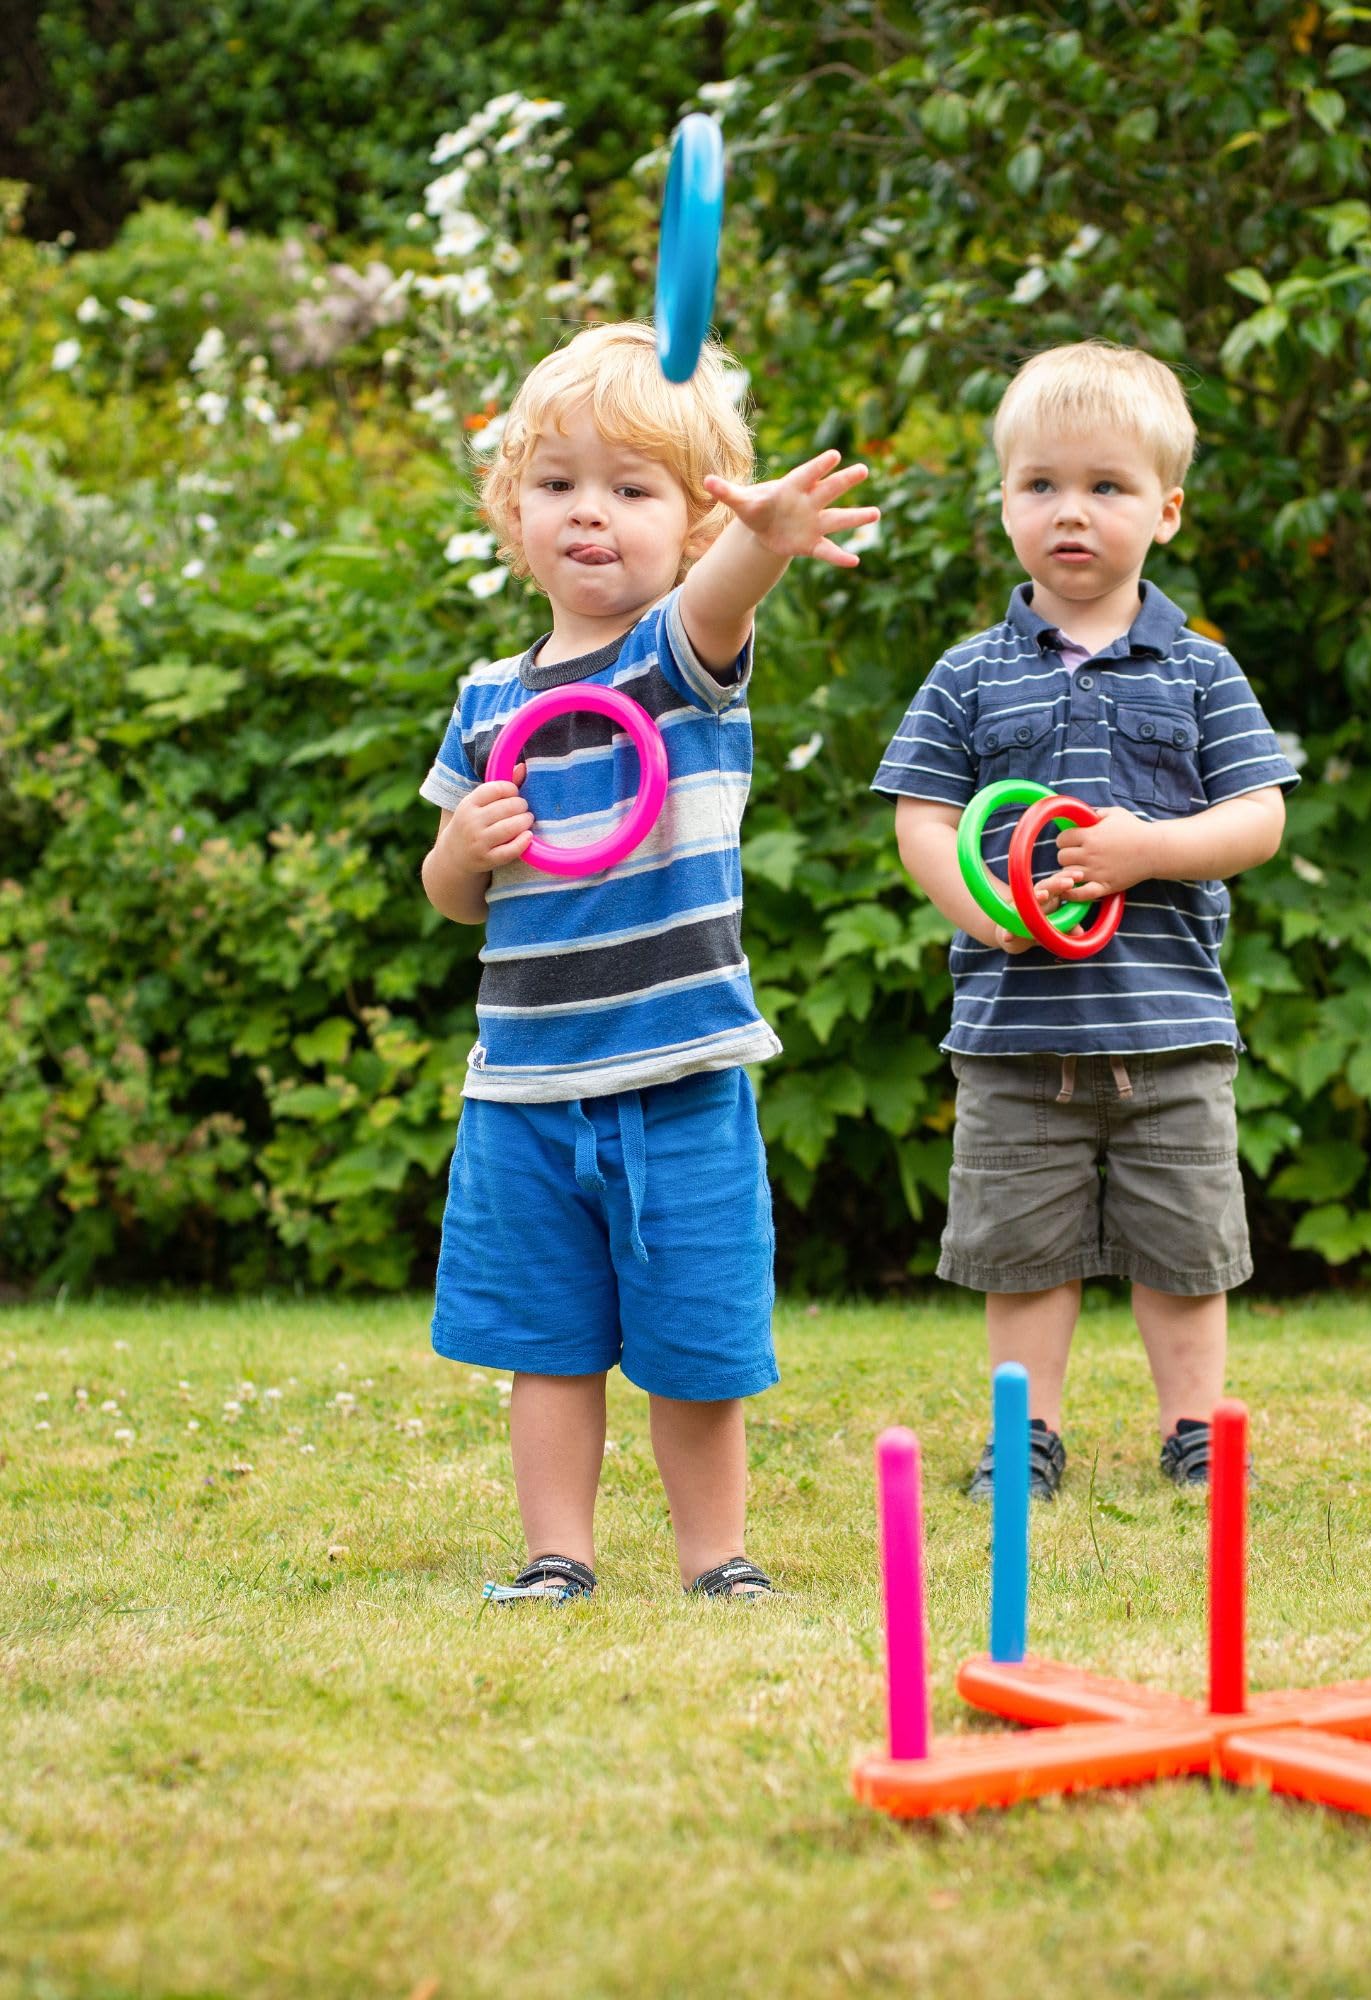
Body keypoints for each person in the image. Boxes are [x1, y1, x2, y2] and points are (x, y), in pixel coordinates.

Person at [419, 321, 876, 1602]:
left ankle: (713, 1557)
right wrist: (463, 845)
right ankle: (556, 1555)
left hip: (675, 1076)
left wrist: (763, 536)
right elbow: (450, 895)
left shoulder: (674, 662)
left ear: (688, 523)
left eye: (632, 489)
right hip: (523, 1088)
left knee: (694, 1346)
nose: (589, 514)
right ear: (513, 510)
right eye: (558, 484)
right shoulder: (486, 700)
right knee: (546, 1345)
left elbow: (723, 596)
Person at [873, 341, 1298, 1500]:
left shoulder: (1201, 672)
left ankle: (1195, 1429)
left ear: (1163, 511)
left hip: (1170, 1027)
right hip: (1013, 1031)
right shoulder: (967, 675)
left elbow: (1256, 818)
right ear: (1004, 502)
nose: (1072, 513)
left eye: (1106, 487)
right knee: (1024, 1251)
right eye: (1041, 486)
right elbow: (922, 819)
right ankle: (1027, 1434)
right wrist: (984, 911)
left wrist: (1146, 850)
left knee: (1185, 1248)